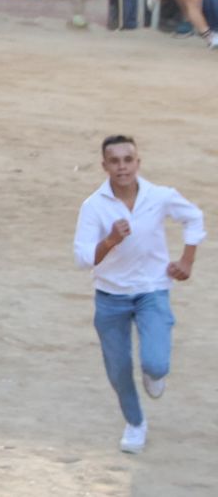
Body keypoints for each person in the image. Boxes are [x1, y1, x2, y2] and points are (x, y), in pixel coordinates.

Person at [72, 135, 204, 454]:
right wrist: (109, 241)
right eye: (114, 161)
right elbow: (82, 257)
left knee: (156, 364)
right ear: (105, 166)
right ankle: (135, 423)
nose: (122, 167)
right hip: (110, 295)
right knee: (118, 369)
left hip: (152, 290)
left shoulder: (159, 196)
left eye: (127, 160)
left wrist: (186, 259)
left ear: (137, 163)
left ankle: (153, 373)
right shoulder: (93, 207)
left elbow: (194, 217)